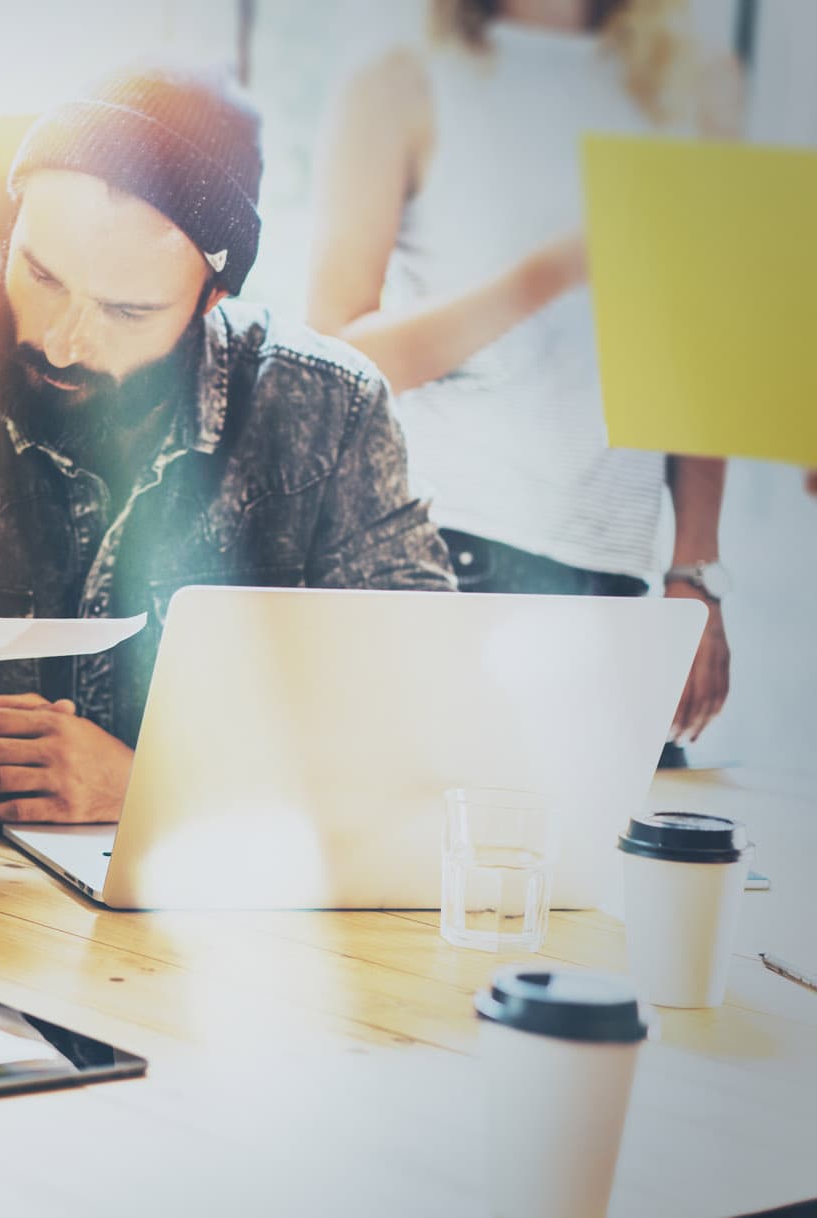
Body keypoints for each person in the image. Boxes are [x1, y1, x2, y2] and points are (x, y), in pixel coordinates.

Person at [0, 65, 455, 831]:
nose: (64, 344)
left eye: (128, 312)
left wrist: (154, 786)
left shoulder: (327, 413)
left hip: (243, 916)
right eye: (40, 274)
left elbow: (425, 727)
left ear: (213, 300)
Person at [308, 0, 742, 762]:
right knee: (425, 864)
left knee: (597, 874)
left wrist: (695, 575)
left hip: (615, 583)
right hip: (443, 559)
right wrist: (549, 275)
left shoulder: (695, 84)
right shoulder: (400, 75)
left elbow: (702, 357)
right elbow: (337, 362)